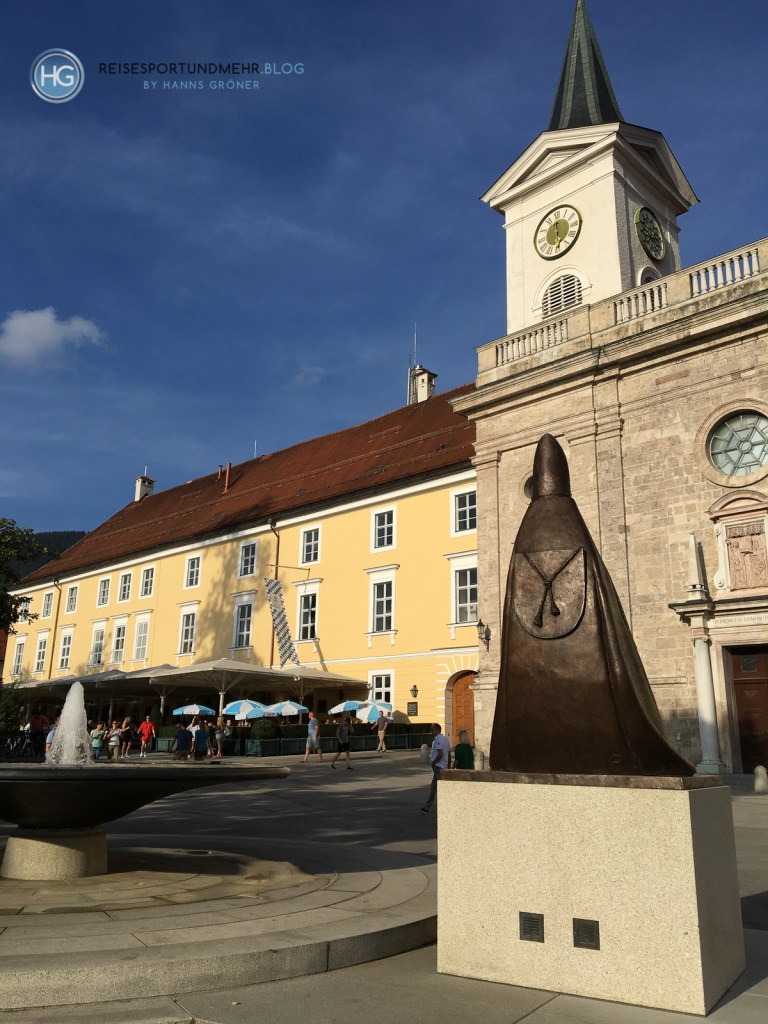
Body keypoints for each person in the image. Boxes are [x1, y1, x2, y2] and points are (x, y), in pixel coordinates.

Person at [421, 723, 450, 812]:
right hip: (443, 765)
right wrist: (448, 765)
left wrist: (434, 762)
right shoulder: (445, 739)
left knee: (441, 787)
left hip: (438, 766)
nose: (431, 732)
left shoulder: (438, 740)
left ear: (437, 730)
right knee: (434, 786)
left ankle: (446, 806)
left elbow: (440, 753)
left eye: (432, 730)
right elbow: (448, 754)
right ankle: (427, 807)